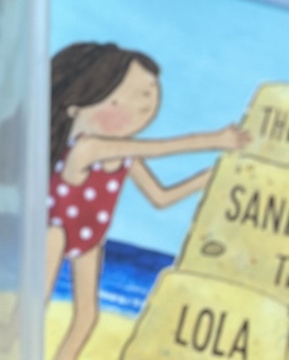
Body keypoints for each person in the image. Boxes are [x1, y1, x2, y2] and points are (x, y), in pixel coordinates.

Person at [46, 42, 250, 360]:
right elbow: (159, 148)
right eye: (123, 98)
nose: (143, 106)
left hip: (90, 237)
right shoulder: (87, 147)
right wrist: (215, 140)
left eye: (148, 98)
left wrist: (208, 178)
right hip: (55, 229)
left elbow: (161, 198)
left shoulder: (125, 155)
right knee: (35, 302)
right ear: (78, 104)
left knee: (87, 316)